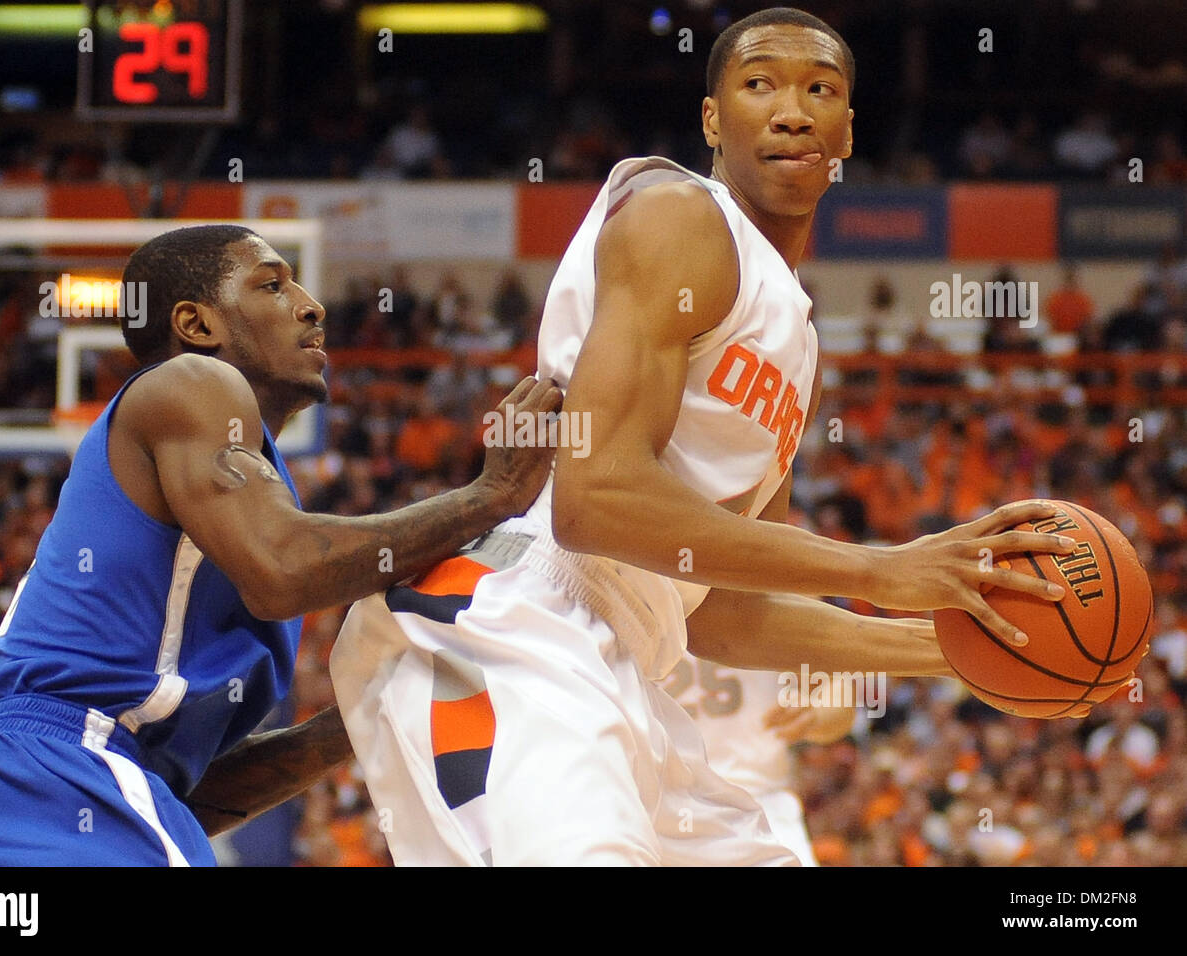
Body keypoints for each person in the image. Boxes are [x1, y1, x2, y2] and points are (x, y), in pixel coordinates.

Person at [330, 7, 1078, 866]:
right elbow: (597, 500)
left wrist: (970, 652)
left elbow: (723, 608)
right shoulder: (680, 216)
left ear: (846, 130)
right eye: (759, 84)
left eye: (819, 90)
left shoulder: (796, 338)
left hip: (629, 663)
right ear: (713, 120)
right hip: (517, 623)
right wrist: (882, 570)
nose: (791, 110)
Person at [0, 224, 561, 866]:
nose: (312, 307)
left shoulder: (234, 487)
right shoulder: (193, 382)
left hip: (3, 794)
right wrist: (492, 495)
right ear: (197, 326)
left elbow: (181, 797)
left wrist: (362, 717)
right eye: (273, 286)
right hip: (54, 775)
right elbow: (283, 569)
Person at [662, 652, 855, 865]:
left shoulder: (782, 619)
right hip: (657, 809)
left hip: (760, 805)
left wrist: (814, 714)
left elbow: (837, 688)